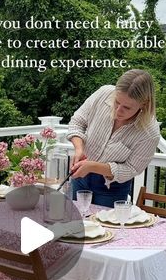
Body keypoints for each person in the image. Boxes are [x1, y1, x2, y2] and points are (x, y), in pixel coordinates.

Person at [67, 69, 160, 207]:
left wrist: (92, 166)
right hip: (80, 177)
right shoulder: (104, 93)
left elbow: (131, 169)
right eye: (117, 102)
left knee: (107, 228)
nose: (118, 111)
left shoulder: (149, 132)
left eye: (127, 107)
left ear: (144, 103)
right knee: (75, 224)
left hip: (112, 189)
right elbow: (77, 122)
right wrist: (79, 149)